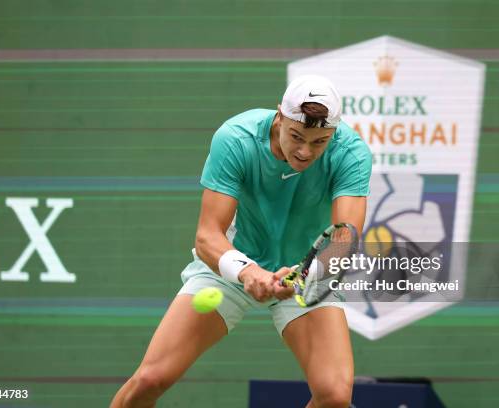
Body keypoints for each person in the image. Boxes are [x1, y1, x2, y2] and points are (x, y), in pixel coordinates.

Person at [110, 75, 372, 408]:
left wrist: (304, 275)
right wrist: (248, 272)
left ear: (333, 134)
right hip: (232, 263)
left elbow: (345, 239)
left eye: (319, 142)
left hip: (307, 273)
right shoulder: (237, 138)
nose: (305, 151)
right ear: (280, 117)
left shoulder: (351, 153)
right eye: (296, 136)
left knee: (334, 396)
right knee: (149, 380)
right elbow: (207, 237)